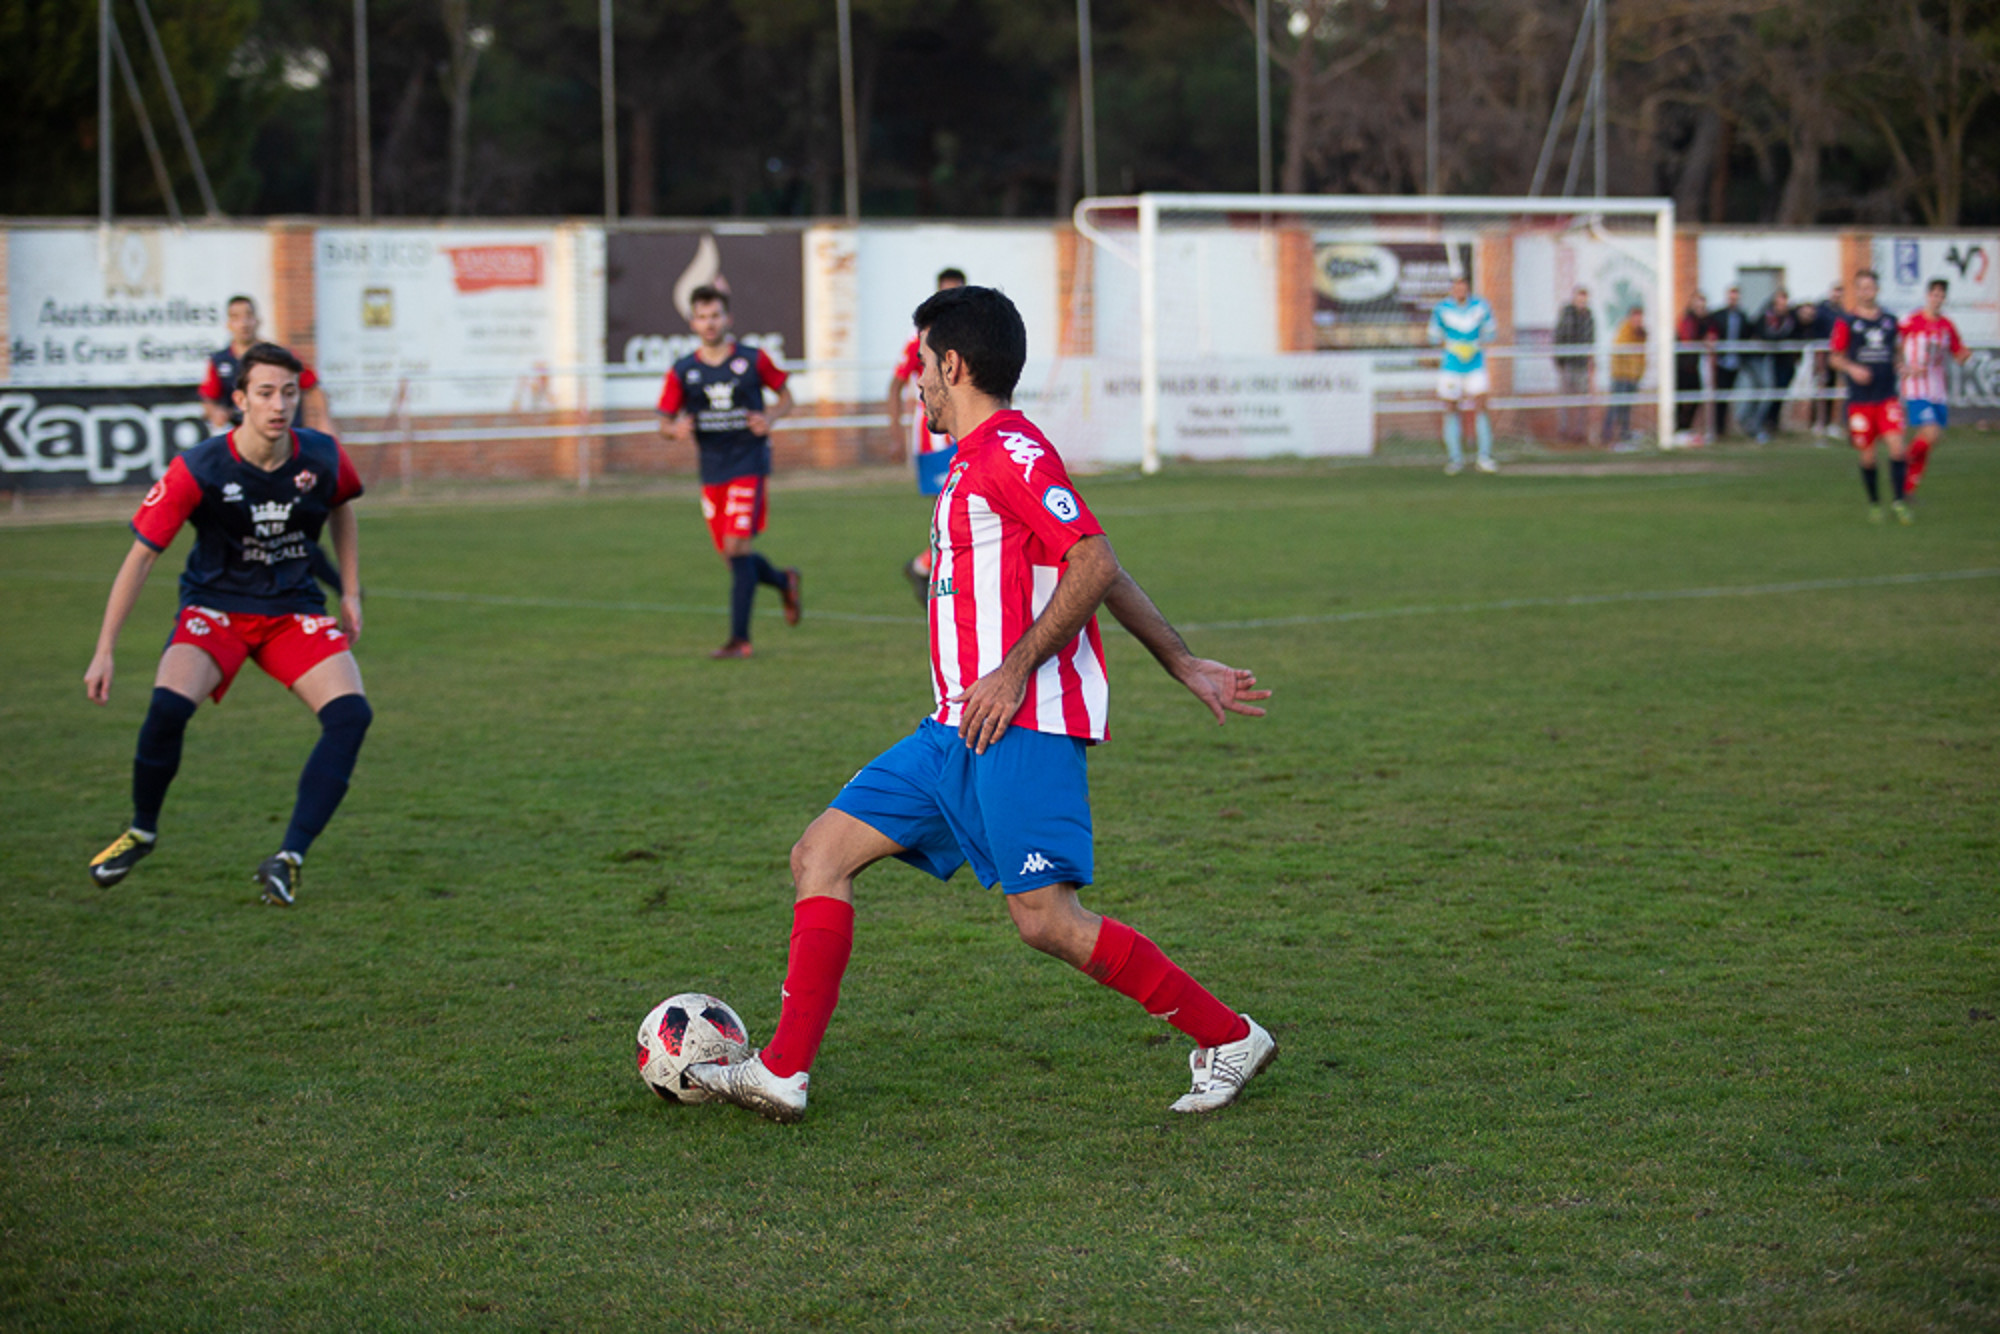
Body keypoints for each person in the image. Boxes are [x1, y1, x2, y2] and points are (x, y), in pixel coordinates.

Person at [686, 285, 1278, 1124]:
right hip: (953, 729)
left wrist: (1016, 669)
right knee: (819, 854)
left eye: (924, 366)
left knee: (1046, 921)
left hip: (1021, 722)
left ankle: (1229, 1037)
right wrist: (1178, 659)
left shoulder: (1010, 451)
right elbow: (1094, 562)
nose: (917, 383)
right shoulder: (972, 460)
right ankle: (783, 1071)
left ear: (954, 366)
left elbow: (1093, 560)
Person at [84, 343, 372, 907]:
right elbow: (141, 558)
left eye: (288, 393)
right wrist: (105, 648)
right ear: (239, 399)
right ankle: (141, 831)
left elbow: (342, 506)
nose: (279, 405)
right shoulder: (199, 468)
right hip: (215, 609)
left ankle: (288, 858)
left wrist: (350, 591)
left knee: (351, 716)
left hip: (291, 611)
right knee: (167, 708)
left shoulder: (323, 456)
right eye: (265, 393)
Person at [657, 284, 803, 658]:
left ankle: (740, 640)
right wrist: (674, 430)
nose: (710, 323)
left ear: (728, 319)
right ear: (693, 323)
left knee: (737, 547)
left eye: (715, 316)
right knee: (731, 557)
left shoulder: (753, 359)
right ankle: (783, 580)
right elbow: (663, 421)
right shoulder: (684, 370)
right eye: (702, 317)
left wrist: (770, 417)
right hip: (712, 469)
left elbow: (787, 396)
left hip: (749, 463)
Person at [202, 295, 344, 592]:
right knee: (259, 528)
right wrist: (215, 412)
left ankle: (332, 585)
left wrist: (324, 422)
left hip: (286, 454)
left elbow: (312, 385)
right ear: (228, 323)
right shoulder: (220, 362)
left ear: (257, 320)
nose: (243, 322)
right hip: (245, 460)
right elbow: (209, 400)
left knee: (289, 527)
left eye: (248, 315)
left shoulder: (279, 357)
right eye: (236, 317)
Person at [887, 267, 967, 602]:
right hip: (933, 435)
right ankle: (934, 571)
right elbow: (895, 384)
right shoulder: (920, 336)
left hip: (965, 429)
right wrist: (895, 432)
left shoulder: (969, 333)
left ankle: (925, 567)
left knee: (963, 507)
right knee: (949, 508)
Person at [1827, 270, 1911, 524]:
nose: (1867, 292)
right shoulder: (1847, 322)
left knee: (1897, 447)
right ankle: (1875, 503)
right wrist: (1853, 369)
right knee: (1868, 455)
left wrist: (1901, 365)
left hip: (1887, 397)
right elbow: (1835, 358)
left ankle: (1899, 502)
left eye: (1870, 287)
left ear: (1877, 290)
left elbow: (1897, 352)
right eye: (1862, 288)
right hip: (1860, 400)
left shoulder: (1889, 321)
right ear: (1857, 291)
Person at [1899, 277, 1971, 501]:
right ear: (1927, 296)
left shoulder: (1946, 326)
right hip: (1916, 387)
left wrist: (1964, 355)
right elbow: (1893, 344)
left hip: (1937, 389)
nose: (1937, 299)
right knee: (1930, 433)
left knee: (1932, 439)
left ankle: (1908, 489)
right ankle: (1900, 462)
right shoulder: (1911, 321)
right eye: (1935, 295)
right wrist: (1903, 366)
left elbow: (1958, 353)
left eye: (1941, 296)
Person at [1428, 274, 1498, 473]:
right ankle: (1455, 458)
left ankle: (1484, 457)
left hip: (1475, 365)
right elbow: (1433, 336)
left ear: (1468, 288)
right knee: (1451, 408)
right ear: (1452, 289)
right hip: (1451, 366)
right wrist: (1451, 345)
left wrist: (1476, 344)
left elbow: (1491, 332)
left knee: (1481, 405)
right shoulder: (1441, 309)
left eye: (1463, 286)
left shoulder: (1481, 306)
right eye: (1456, 287)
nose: (1460, 290)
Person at [1749, 288, 1801, 443]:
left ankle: (1769, 423)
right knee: (1765, 391)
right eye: (1780, 302)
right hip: (1762, 360)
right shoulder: (1765, 317)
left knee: (1775, 393)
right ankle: (1756, 424)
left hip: (1782, 362)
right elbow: (1764, 335)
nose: (1782, 305)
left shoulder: (1790, 319)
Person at [1704, 285, 1752, 439]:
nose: (1733, 300)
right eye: (1731, 297)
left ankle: (1734, 426)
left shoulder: (1742, 316)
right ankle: (1718, 429)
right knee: (1720, 396)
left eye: (1736, 297)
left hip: (1737, 362)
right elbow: (1710, 332)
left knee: (1735, 395)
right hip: (1722, 362)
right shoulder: (1718, 315)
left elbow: (1747, 334)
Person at [1553, 286, 1596, 444]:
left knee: (1583, 400)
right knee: (1564, 400)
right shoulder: (1567, 314)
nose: (1582, 303)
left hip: (1582, 364)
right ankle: (1563, 431)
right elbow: (1559, 336)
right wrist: (1560, 359)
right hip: (1568, 363)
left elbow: (1591, 340)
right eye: (1580, 299)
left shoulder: (1589, 316)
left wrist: (1591, 361)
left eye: (1584, 300)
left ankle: (1580, 432)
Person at [1807, 281, 1848, 438]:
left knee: (1832, 387)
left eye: (1840, 292)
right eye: (1835, 291)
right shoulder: (1821, 310)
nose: (1837, 295)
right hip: (1821, 353)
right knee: (1820, 385)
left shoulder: (1842, 312)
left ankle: (1831, 423)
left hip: (1836, 354)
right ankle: (1817, 422)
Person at [1602, 305, 1646, 447]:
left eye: (1640, 318)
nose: (1638, 321)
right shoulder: (1624, 331)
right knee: (1616, 406)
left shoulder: (1641, 334)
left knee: (1627, 407)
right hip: (1621, 376)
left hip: (1633, 376)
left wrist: (1639, 373)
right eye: (1635, 317)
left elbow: (1641, 356)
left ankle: (1623, 433)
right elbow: (1621, 351)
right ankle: (1607, 434)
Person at [1674, 292, 1709, 443]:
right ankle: (1678, 429)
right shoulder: (1688, 320)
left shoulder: (1703, 321)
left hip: (1692, 366)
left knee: (1696, 396)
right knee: (1680, 399)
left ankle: (1684, 428)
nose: (1700, 308)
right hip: (1682, 366)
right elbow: (1687, 340)